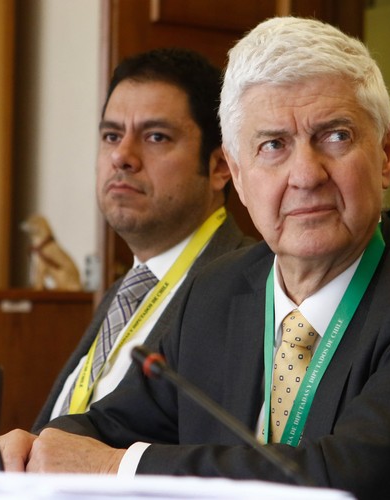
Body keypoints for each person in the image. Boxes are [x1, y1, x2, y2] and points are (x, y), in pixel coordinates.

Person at [0, 17, 390, 500]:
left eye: (335, 136)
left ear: (386, 154)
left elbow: (348, 482)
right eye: (273, 145)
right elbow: (109, 425)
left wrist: (113, 468)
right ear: (238, 175)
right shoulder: (216, 291)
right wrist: (35, 449)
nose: (306, 174)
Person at [31, 47, 252, 430]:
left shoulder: (250, 290)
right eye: (111, 135)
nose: (122, 156)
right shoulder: (123, 293)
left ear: (219, 166)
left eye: (156, 137)